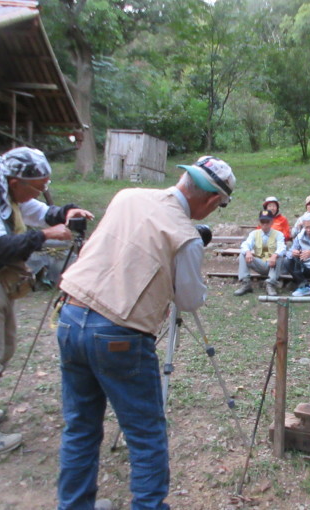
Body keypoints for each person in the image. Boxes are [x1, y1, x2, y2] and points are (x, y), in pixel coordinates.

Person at [57, 155, 235, 510]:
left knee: (80, 427)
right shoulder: (186, 235)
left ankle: (74, 505)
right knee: (145, 434)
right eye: (220, 206)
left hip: (71, 315)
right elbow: (188, 299)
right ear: (214, 199)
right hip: (118, 332)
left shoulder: (127, 196)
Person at [0, 147, 92, 459]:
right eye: (38, 186)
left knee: (1, 347)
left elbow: (36, 211)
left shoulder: (4, 189)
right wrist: (44, 236)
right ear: (17, 181)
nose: (42, 192)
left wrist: (66, 213)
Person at [235, 210, 286, 297]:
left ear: (272, 222)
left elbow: (282, 247)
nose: (265, 224)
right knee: (242, 254)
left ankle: (270, 284)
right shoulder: (254, 234)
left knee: (279, 256)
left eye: (267, 222)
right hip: (260, 263)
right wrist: (248, 252)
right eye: (262, 222)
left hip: (273, 265)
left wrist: (274, 255)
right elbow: (245, 244)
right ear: (259, 222)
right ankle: (246, 283)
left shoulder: (278, 234)